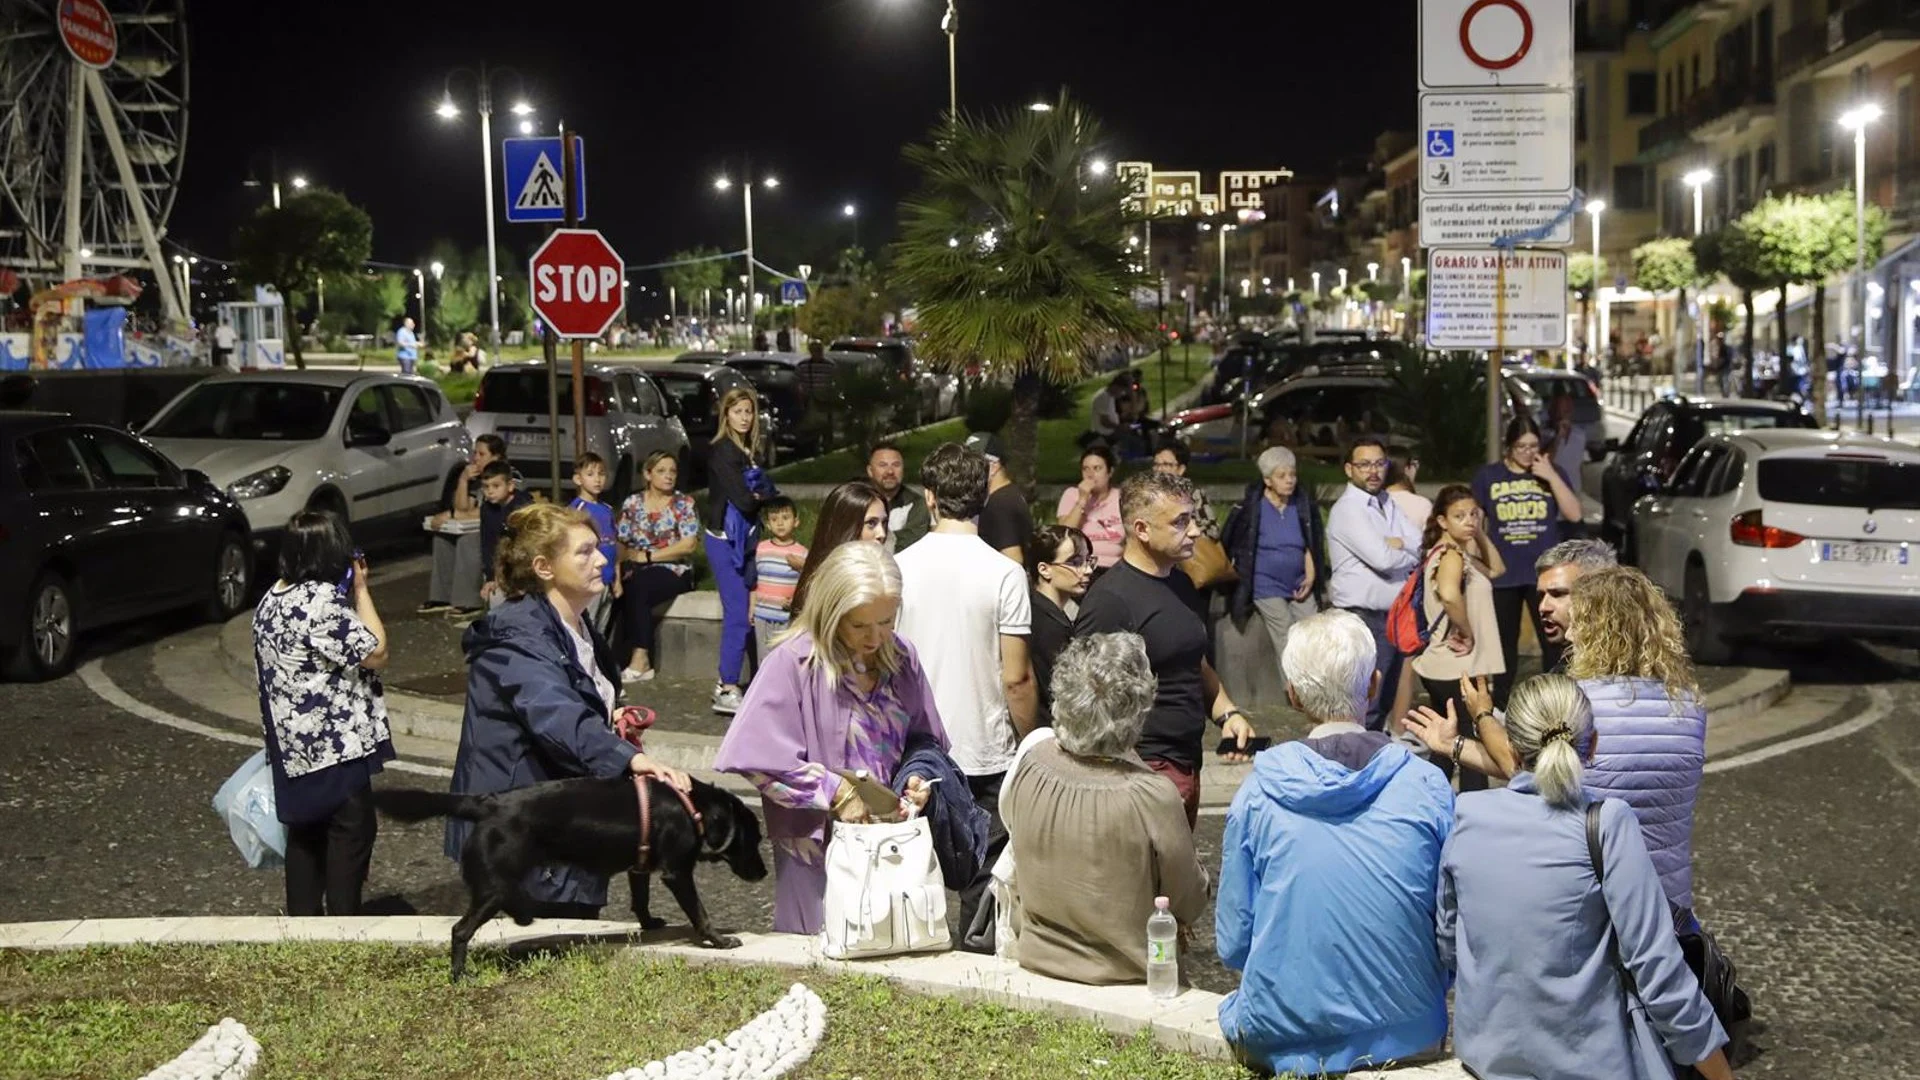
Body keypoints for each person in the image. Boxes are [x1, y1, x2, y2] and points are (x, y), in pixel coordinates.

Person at [1437, 675, 1736, 1080]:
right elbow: (1657, 969)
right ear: (1592, 745)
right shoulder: (1606, 823)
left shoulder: (1467, 816)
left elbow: (1449, 944)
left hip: (1488, 1061)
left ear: (1510, 749)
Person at [1216, 609, 1453, 1076]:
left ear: (1293, 695)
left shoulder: (1259, 792)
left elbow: (1233, 942)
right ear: (1373, 685)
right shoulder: (1426, 785)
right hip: (1410, 1029)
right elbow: (1451, 930)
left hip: (1281, 1034)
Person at [448, 503, 692, 920]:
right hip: (520, 831)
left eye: (598, 548)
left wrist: (611, 717)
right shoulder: (518, 632)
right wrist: (633, 759)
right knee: (542, 962)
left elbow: (578, 700)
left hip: (559, 820)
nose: (601, 560)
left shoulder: (577, 626)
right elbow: (555, 714)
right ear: (544, 567)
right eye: (584, 552)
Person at [714, 542, 946, 934]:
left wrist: (919, 775)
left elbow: (926, 738)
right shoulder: (794, 662)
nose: (876, 637)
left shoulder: (902, 657)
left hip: (892, 847)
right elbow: (755, 757)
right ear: (831, 612)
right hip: (817, 854)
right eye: (860, 625)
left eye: (888, 621)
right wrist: (835, 791)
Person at [1002, 633, 1209, 984]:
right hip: (1127, 976)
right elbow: (1188, 900)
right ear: (1139, 708)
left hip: (1038, 962)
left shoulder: (1032, 762)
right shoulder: (1151, 795)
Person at [894, 442, 1036, 942]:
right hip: (985, 749)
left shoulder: (899, 567)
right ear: (984, 496)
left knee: (914, 875)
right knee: (983, 887)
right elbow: (1016, 678)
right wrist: (1031, 739)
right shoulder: (1006, 574)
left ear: (929, 497)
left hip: (914, 751)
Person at [1075, 471, 1257, 826]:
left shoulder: (1182, 581)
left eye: (1192, 519)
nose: (1194, 531)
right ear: (1141, 529)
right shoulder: (1110, 601)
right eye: (1180, 522)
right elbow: (1085, 699)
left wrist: (1227, 714)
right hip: (1142, 771)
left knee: (1176, 879)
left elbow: (1193, 660)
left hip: (1187, 762)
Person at [252, 511, 394, 916]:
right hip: (333, 748)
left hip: (291, 750)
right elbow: (376, 652)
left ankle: (304, 932)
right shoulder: (318, 601)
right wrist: (362, 589)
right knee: (350, 837)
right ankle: (344, 929)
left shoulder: (272, 598)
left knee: (304, 841)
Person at [1566, 567, 1708, 913]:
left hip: (1590, 896)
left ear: (1599, 631)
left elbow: (1525, 770)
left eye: (1577, 624)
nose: (1569, 635)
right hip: (1667, 901)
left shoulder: (1575, 703)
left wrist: (1474, 726)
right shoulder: (1690, 707)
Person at [1473, 415, 1584, 705]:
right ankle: (1499, 705)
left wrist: (1550, 476)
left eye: (1534, 446)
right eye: (1521, 446)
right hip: (1505, 573)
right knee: (1503, 647)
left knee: (1555, 642)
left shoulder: (1551, 472)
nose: (1528, 453)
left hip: (1544, 574)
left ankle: (1556, 700)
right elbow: (1477, 525)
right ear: (1509, 447)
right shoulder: (1489, 476)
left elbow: (1574, 513)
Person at [1408, 484, 1506, 788]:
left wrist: (1476, 533)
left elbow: (1498, 570)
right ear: (1441, 521)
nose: (1469, 520)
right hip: (1454, 665)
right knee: (1471, 743)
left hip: (1445, 666)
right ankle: (1472, 810)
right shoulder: (1450, 555)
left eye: (1474, 514)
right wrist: (1466, 631)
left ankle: (1427, 801)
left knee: (1444, 744)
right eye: (1459, 516)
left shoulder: (1457, 551)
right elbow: (1450, 595)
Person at [1324, 437, 1422, 731]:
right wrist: (1402, 549)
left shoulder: (1386, 502)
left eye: (1379, 463)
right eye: (1364, 465)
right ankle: (1357, 762)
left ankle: (1370, 756)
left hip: (1392, 614)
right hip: (1362, 616)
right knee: (1366, 701)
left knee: (1385, 698)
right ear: (1348, 469)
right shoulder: (1348, 509)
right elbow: (1382, 559)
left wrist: (1400, 543)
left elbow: (1421, 543)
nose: (1373, 471)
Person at [703, 386, 773, 714]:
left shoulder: (747, 449)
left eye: (749, 411)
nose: (744, 418)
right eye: (738, 411)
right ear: (726, 414)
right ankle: (727, 685)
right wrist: (759, 495)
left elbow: (767, 492)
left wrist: (762, 495)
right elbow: (746, 499)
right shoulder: (722, 451)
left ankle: (739, 679)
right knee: (737, 615)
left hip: (745, 539)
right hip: (724, 540)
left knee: (747, 611)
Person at [1224, 445, 1323, 672]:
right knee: (1286, 636)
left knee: (1314, 633)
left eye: (1292, 474)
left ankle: (1316, 688)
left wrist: (1311, 574)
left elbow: (1309, 542)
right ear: (1268, 480)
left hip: (1299, 581)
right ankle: (1294, 693)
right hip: (1266, 584)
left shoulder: (1301, 505)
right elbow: (1236, 544)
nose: (1289, 480)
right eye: (1282, 476)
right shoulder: (1253, 508)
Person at [614, 451, 701, 682]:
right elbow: (621, 542)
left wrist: (650, 557)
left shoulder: (683, 503)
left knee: (640, 586)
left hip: (673, 569)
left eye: (672, 471)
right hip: (635, 566)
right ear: (647, 474)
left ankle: (641, 658)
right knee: (619, 587)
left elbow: (688, 544)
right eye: (662, 471)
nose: (669, 476)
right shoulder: (632, 503)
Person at [422, 433, 505, 617]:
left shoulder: (507, 476)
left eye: (481, 454)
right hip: (482, 523)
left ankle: (469, 600)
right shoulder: (479, 477)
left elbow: (491, 508)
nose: (475, 458)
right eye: (475, 453)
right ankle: (441, 596)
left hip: (501, 528)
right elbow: (463, 506)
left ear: (496, 457)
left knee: (469, 539)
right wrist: (463, 480)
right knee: (443, 536)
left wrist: (452, 515)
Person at [1025, 525, 1094, 726]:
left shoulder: (1036, 610)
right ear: (1044, 569)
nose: (1087, 570)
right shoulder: (1049, 625)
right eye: (1075, 562)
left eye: (1088, 561)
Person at [790, 479, 888, 615]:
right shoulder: (825, 586)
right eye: (871, 523)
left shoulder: (884, 575)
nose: (881, 533)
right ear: (846, 526)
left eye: (884, 523)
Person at [751, 495, 808, 662]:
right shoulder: (761, 549)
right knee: (764, 659)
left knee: (784, 660)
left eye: (785, 518)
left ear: (796, 521)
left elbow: (807, 584)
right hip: (762, 615)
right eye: (774, 519)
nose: (780, 523)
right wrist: (752, 606)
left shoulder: (802, 553)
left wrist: (796, 601)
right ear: (768, 524)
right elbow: (754, 580)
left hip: (786, 617)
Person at [1536, 537, 1618, 653]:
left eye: (1558, 594)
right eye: (1541, 595)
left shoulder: (1631, 665)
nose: (1543, 607)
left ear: (1600, 594)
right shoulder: (1568, 663)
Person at [567, 452, 618, 637]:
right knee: (587, 627)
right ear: (577, 479)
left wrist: (616, 578)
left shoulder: (607, 510)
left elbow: (613, 544)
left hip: (607, 579)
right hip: (588, 581)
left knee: (601, 630)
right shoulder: (577, 511)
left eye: (601, 474)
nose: (597, 479)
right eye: (590, 474)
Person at [475, 461, 533, 617]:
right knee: (496, 600)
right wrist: (491, 576)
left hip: (524, 567)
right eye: (486, 487)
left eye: (495, 486)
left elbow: (528, 543)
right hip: (501, 569)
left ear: (510, 486)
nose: (490, 492)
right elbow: (488, 543)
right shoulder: (487, 509)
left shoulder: (523, 507)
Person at [966, 430, 1032, 566]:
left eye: (972, 463)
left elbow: (1013, 559)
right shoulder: (1008, 494)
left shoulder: (1000, 504)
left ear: (993, 466)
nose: (966, 469)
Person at [1056, 444, 1125, 571]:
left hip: (1115, 567)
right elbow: (1064, 535)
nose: (1090, 474)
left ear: (1110, 472)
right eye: (1085, 469)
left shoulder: (1121, 497)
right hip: (1081, 566)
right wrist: (1082, 500)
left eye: (1097, 468)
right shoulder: (1071, 495)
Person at [866, 441, 930, 553]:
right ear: (870, 471)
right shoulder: (858, 502)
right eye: (883, 465)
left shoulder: (918, 505)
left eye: (896, 465)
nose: (890, 471)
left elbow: (911, 544)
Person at [1151, 441, 1219, 541]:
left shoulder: (1194, 495)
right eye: (1156, 464)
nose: (1159, 470)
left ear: (1181, 469)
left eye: (1166, 464)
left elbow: (1212, 532)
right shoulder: (1146, 495)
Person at [796, 340, 839, 445]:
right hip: (809, 402)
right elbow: (797, 383)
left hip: (825, 402)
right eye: (814, 350)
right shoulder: (803, 366)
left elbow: (836, 383)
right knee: (812, 427)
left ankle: (826, 446)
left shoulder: (830, 366)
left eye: (818, 350)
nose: (817, 353)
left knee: (826, 428)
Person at [1546, 392, 1587, 483]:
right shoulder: (1546, 434)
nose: (1566, 412)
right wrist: (1558, 437)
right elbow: (1546, 461)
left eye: (1568, 409)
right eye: (1563, 409)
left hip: (1574, 488)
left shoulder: (1579, 435)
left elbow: (1579, 465)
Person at [1087, 373, 1126, 441]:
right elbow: (1105, 422)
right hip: (1105, 434)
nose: (1122, 394)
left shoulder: (1110, 396)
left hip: (1111, 432)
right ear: (1116, 387)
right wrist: (1120, 427)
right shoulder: (1103, 397)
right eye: (1122, 391)